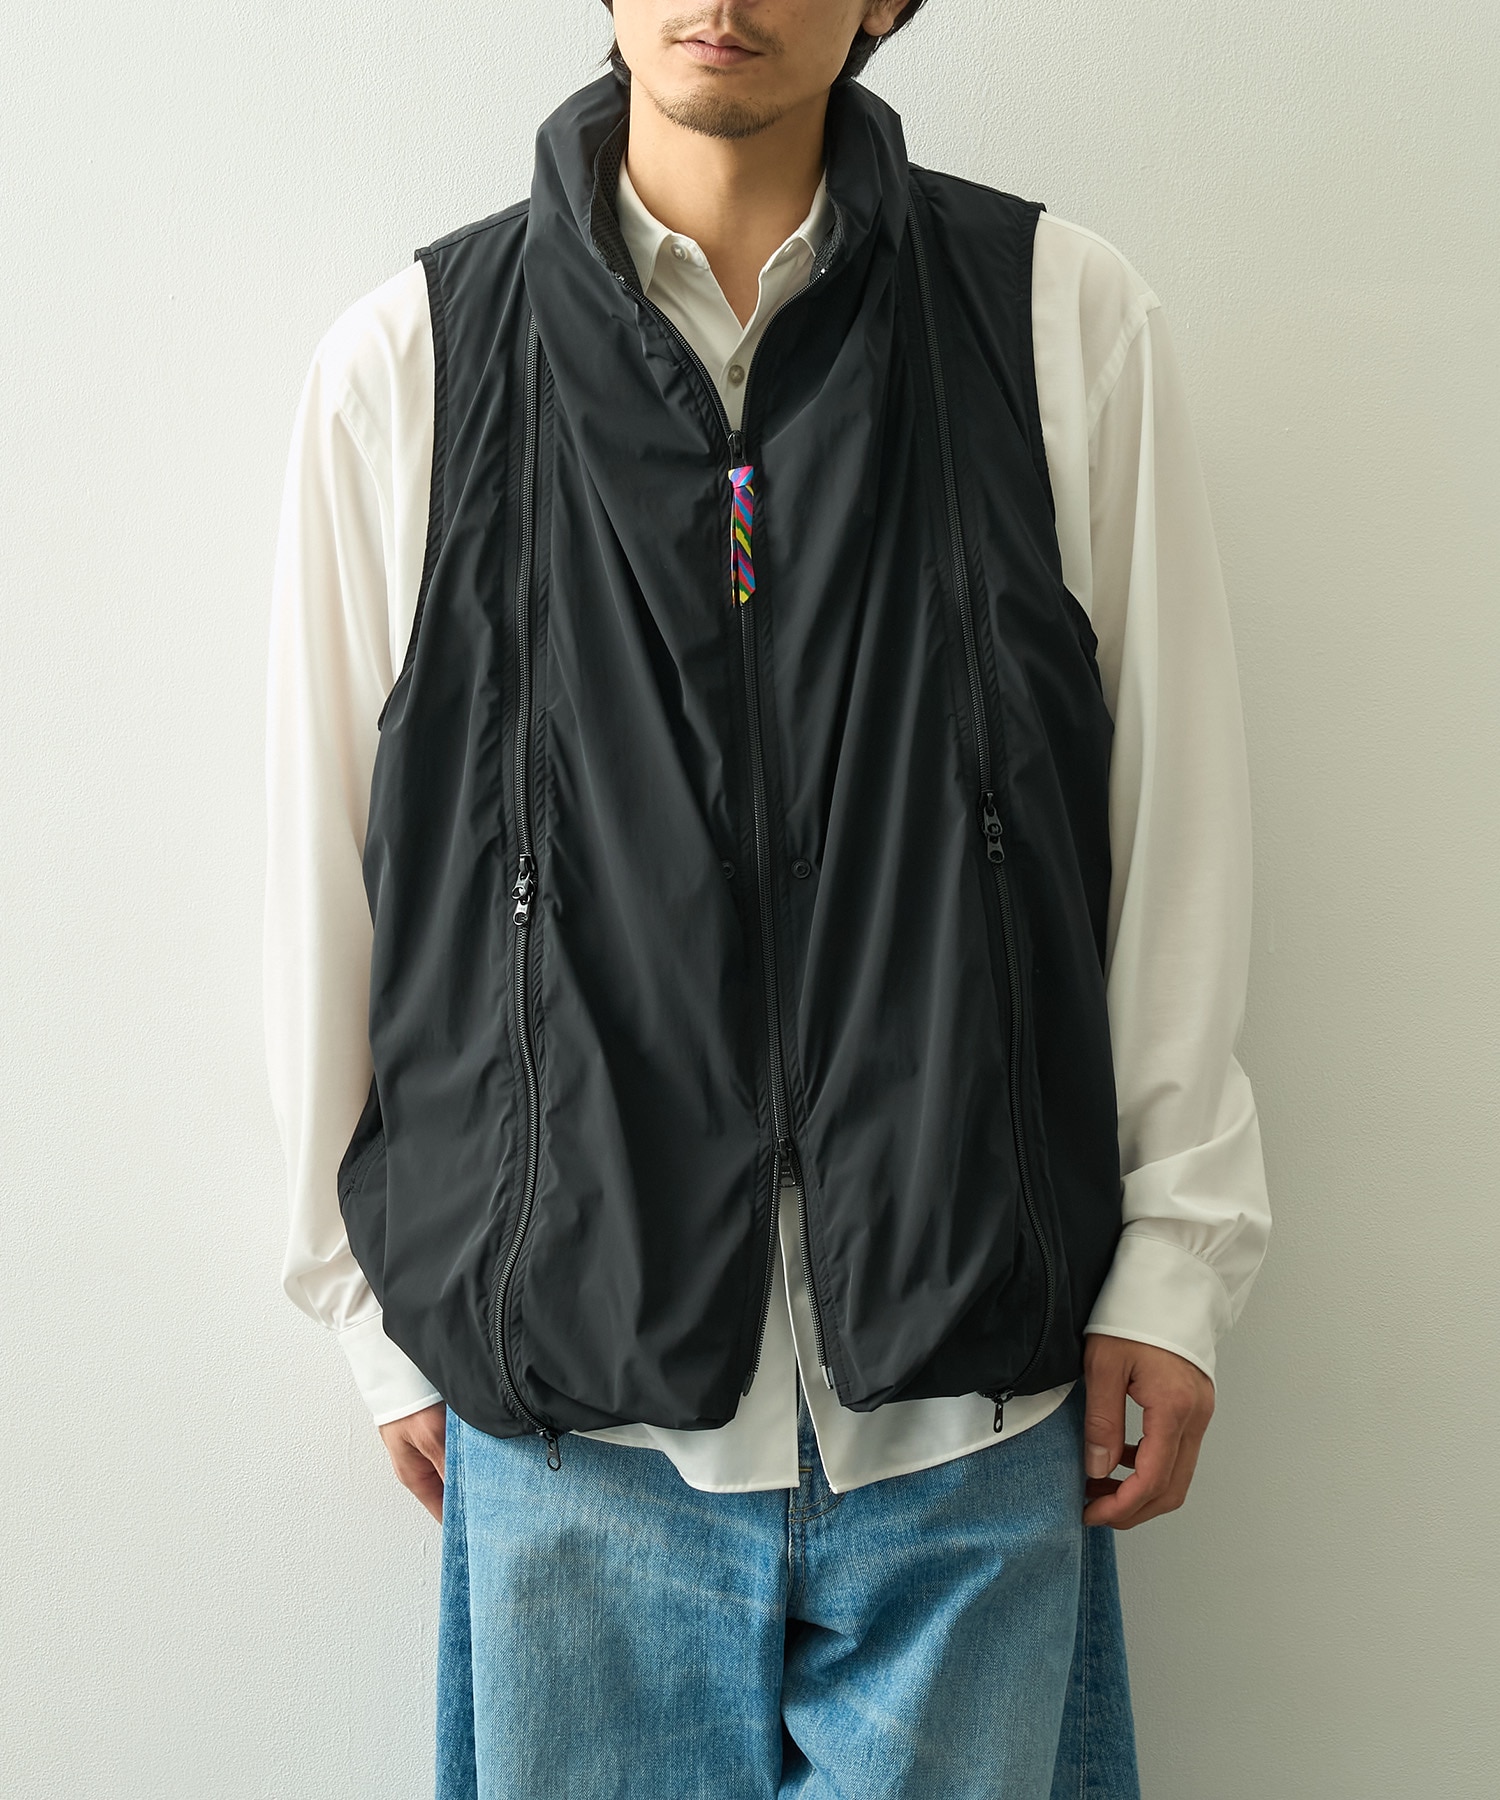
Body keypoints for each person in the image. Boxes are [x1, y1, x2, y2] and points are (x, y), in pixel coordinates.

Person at [264, 3, 1271, 1794]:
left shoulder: (1056, 316)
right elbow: (326, 868)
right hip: (574, 1427)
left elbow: (1174, 812)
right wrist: (364, 1314)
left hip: (974, 1413)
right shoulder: (413, 362)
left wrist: (1179, 1262)